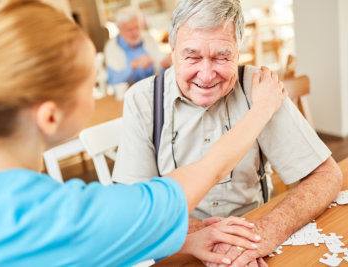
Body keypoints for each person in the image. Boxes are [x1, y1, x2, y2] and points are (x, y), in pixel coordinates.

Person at [0, 0, 288, 266]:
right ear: (50, 117)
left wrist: (181, 240)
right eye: (88, 81)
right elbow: (209, 169)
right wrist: (261, 110)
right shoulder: (69, 218)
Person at [112, 0, 343, 265]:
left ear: (238, 52)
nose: (207, 75)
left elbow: (325, 175)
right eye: (192, 56)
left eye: (222, 56)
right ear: (173, 52)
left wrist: (265, 231)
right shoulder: (142, 100)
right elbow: (135, 208)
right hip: (178, 248)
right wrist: (215, 240)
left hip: (255, 239)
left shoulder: (260, 87)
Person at [104, 6, 171, 86]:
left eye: (137, 28)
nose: (135, 33)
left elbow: (160, 69)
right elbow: (113, 81)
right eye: (130, 30)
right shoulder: (111, 47)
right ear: (119, 29)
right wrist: (133, 65)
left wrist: (165, 64)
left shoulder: (149, 38)